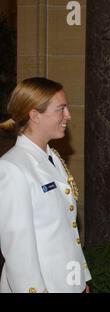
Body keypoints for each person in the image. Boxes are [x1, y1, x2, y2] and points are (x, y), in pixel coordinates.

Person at [0, 77, 91, 293]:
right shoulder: (12, 167)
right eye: (61, 109)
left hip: (66, 283)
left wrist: (81, 280)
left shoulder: (53, 158)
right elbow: (18, 251)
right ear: (34, 115)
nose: (68, 116)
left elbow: (68, 231)